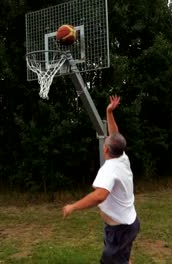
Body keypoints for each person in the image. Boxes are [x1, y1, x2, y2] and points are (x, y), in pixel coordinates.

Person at [62, 95, 140, 264]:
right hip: (123, 225)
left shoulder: (109, 170)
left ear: (105, 149)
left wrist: (73, 206)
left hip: (121, 229)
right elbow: (115, 134)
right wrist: (109, 112)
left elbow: (99, 196)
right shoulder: (122, 158)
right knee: (123, 259)